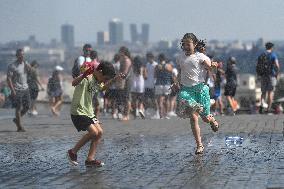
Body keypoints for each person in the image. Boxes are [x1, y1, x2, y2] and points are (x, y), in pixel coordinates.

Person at [174, 33, 219, 154]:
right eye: (183, 44)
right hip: (186, 91)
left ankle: (211, 119)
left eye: (188, 44)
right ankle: (199, 145)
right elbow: (180, 72)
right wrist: (176, 82)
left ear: (194, 44)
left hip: (200, 90)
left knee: (204, 118)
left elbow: (211, 69)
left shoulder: (200, 57)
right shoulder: (180, 57)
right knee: (193, 117)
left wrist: (214, 66)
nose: (186, 46)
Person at [67, 61, 117, 167]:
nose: (105, 80)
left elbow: (103, 88)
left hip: (88, 111)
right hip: (78, 111)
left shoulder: (98, 81)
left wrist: (114, 80)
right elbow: (73, 83)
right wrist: (83, 75)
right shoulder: (87, 75)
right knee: (94, 132)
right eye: (105, 78)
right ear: (100, 72)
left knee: (99, 132)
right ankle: (72, 152)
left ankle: (90, 159)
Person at [6, 49, 32, 132]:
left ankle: (17, 120)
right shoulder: (12, 66)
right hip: (17, 89)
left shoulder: (25, 64)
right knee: (18, 107)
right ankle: (19, 126)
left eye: (23, 55)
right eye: (20, 55)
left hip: (25, 88)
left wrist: (29, 67)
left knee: (27, 106)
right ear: (17, 56)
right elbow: (9, 79)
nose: (22, 56)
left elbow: (31, 72)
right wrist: (13, 90)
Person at [257, 42, 280, 113]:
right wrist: (277, 74)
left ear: (266, 47)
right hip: (271, 76)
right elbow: (277, 65)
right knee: (270, 92)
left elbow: (258, 66)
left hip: (263, 76)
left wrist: (259, 75)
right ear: (271, 47)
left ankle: (262, 105)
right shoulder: (273, 55)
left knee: (263, 92)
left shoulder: (261, 55)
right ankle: (268, 109)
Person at [154, 53, 173, 119]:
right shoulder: (169, 66)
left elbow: (155, 75)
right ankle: (166, 115)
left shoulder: (157, 66)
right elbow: (171, 74)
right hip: (167, 84)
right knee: (167, 100)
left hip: (159, 84)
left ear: (159, 59)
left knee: (160, 100)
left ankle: (161, 115)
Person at [117, 46, 133, 121]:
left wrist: (118, 78)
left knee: (127, 97)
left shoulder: (126, 60)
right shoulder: (122, 59)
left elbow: (125, 72)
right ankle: (125, 114)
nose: (119, 53)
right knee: (125, 97)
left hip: (127, 80)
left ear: (123, 52)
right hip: (124, 79)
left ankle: (126, 115)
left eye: (120, 51)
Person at [144, 52, 158, 118]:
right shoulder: (147, 64)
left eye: (148, 58)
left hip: (153, 84)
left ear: (151, 58)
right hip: (147, 84)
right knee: (146, 99)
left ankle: (157, 112)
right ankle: (146, 111)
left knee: (153, 99)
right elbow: (146, 73)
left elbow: (156, 75)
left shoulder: (156, 65)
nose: (147, 59)